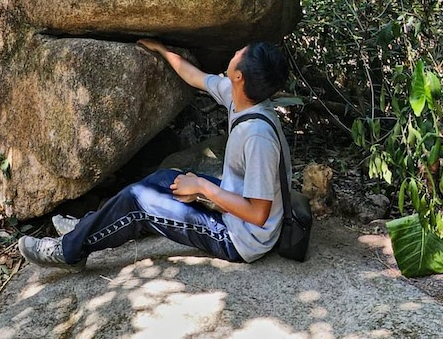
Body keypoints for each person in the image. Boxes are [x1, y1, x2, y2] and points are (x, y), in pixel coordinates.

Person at [18, 40, 292, 272]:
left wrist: (201, 187)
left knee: (138, 204)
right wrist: (161, 49)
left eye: (238, 54)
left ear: (239, 76)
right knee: (164, 179)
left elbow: (258, 214)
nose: (234, 53)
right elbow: (195, 76)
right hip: (233, 209)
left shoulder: (257, 136)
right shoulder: (240, 97)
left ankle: (67, 252)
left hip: (240, 238)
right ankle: (86, 228)